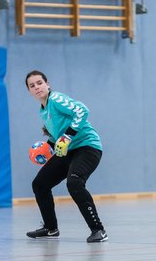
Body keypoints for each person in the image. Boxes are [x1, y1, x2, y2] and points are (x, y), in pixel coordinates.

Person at [25, 70, 108, 243]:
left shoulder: (56, 99)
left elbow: (82, 111)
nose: (37, 87)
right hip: (67, 151)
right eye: (32, 86)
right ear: (29, 91)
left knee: (75, 182)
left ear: (48, 84)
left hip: (87, 147)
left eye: (39, 83)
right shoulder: (43, 109)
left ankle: (98, 230)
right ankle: (50, 228)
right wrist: (45, 147)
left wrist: (67, 136)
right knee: (40, 184)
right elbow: (57, 137)